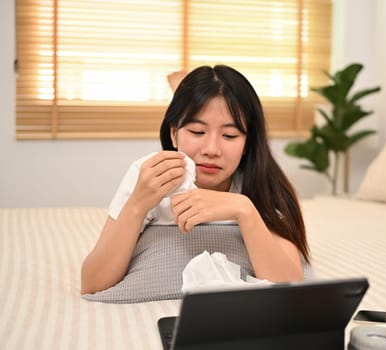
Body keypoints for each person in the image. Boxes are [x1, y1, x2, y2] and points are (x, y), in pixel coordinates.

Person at [80, 65, 310, 296]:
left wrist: (244, 209)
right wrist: (137, 205)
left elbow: (289, 286)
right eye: (197, 132)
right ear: (173, 134)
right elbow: (93, 283)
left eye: (229, 135)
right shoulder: (148, 174)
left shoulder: (261, 182)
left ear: (247, 143)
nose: (211, 149)